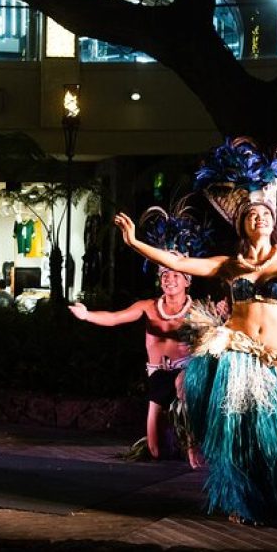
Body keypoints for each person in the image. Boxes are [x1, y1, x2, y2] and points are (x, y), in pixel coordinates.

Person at [114, 137, 277, 527]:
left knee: (275, 437)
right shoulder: (228, 264)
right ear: (242, 222)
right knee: (237, 436)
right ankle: (241, 501)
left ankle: (270, 497)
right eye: (253, 214)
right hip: (236, 355)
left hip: (272, 362)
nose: (261, 219)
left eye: (267, 214)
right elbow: (178, 260)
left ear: (275, 220)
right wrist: (136, 242)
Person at [69, 198, 210, 468]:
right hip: (158, 373)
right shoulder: (148, 307)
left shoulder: (199, 310)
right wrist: (87, 315)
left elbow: (217, 336)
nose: (169, 279)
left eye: (176, 275)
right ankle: (174, 441)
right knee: (157, 450)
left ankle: (194, 440)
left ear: (187, 281)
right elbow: (114, 318)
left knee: (183, 381)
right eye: (165, 275)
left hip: (187, 374)